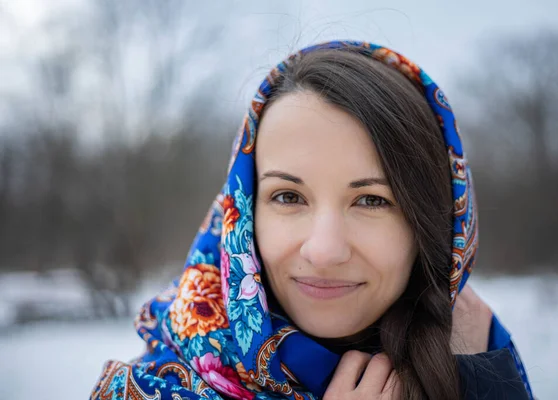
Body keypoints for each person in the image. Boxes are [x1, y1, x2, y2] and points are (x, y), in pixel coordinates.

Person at [91, 41, 533, 400]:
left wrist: (482, 380)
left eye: (372, 201)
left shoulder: (478, 353)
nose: (323, 250)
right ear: (243, 214)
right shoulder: (152, 391)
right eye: (288, 196)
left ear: (434, 221)